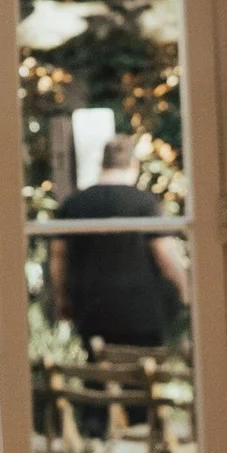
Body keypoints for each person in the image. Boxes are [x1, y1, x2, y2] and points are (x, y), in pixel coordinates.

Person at [49, 132, 190, 352]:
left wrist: (62, 300)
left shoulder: (74, 204)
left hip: (90, 312)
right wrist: (185, 292)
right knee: (141, 379)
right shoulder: (145, 203)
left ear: (102, 164)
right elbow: (164, 254)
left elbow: (58, 257)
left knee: (98, 379)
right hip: (140, 313)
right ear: (133, 166)